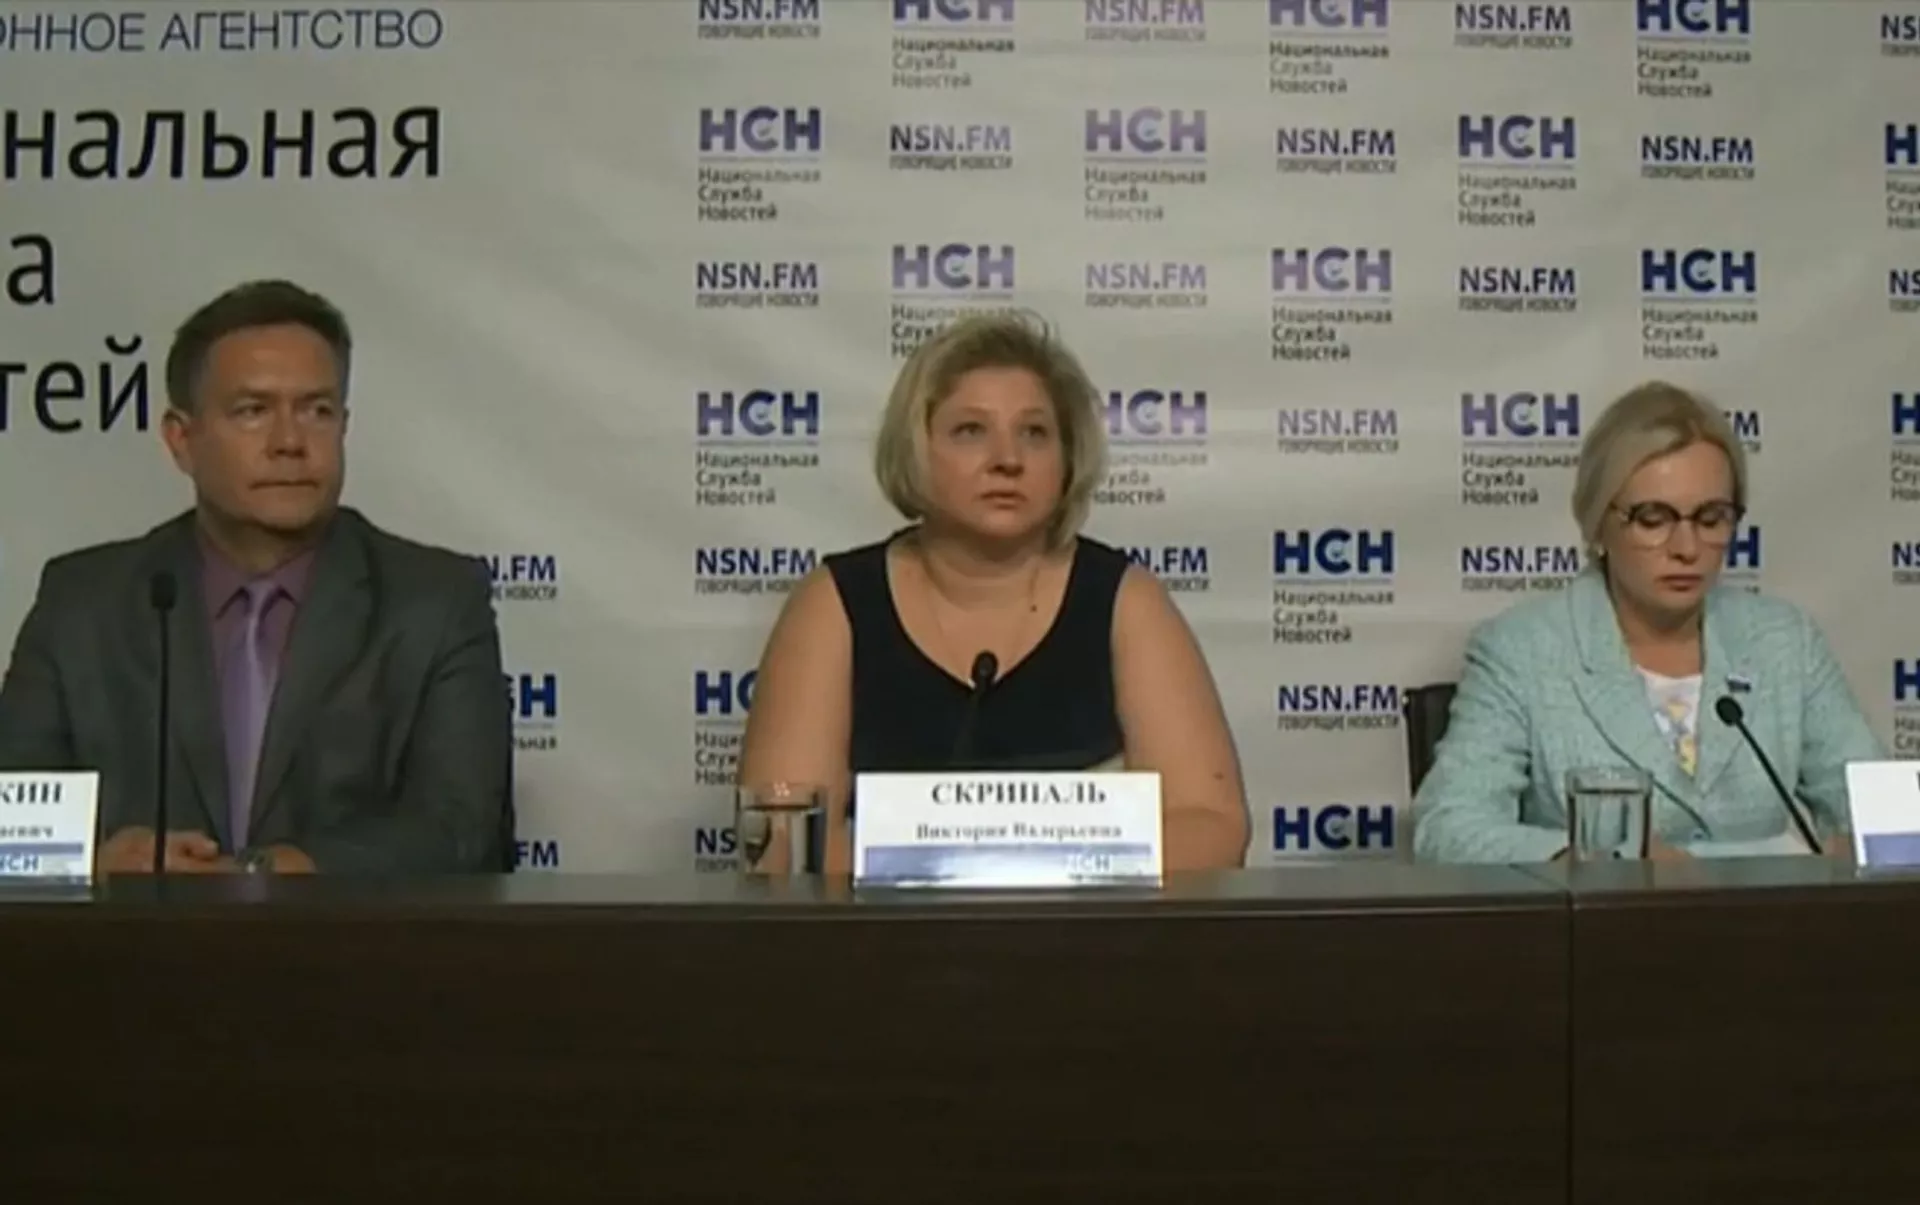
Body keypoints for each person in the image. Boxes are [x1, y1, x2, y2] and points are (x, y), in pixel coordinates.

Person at [0, 280, 513, 875]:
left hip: (349, 937)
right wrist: (94, 859)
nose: (290, 442)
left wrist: (273, 874)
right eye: (253, 411)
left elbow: (464, 830)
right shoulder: (81, 604)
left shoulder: (436, 602)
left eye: (317, 411)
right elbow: (10, 819)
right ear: (181, 440)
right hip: (132, 936)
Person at [737, 310, 1249, 871]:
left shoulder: (1125, 600)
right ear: (916, 449)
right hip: (885, 931)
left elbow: (1213, 826)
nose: (1008, 460)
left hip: (1087, 928)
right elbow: (782, 844)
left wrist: (1021, 873)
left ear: (1067, 459)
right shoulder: (835, 603)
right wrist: (964, 873)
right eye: (970, 431)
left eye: (1035, 433)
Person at [1413, 382, 1884, 863]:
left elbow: (1883, 813)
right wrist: (1606, 858)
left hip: (1770, 913)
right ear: (1599, 524)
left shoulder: (1785, 642)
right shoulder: (1522, 651)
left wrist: (1866, 841)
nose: (1686, 548)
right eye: (1653, 519)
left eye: (1711, 518)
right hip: (1604, 912)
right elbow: (1447, 827)